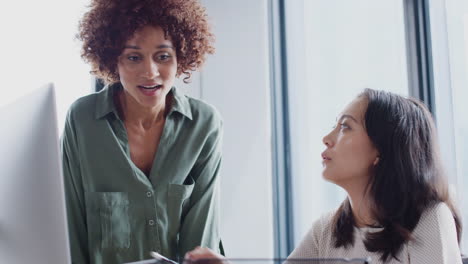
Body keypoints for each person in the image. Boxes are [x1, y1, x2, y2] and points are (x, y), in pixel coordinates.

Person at [185, 89, 462, 264]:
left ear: (382, 150)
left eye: (345, 127)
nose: (327, 139)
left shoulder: (430, 218)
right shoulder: (327, 228)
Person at [61, 0, 223, 263]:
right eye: (134, 57)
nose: (150, 72)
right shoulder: (82, 121)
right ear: (114, 60)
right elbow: (72, 227)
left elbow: (201, 239)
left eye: (163, 56)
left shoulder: (204, 124)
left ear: (181, 57)